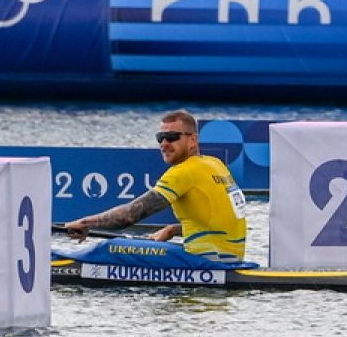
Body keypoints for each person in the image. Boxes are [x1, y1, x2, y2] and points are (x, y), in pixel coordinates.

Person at [64, 110, 248, 262]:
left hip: (204, 262)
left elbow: (129, 216)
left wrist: (84, 223)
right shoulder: (215, 164)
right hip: (231, 259)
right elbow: (216, 220)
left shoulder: (183, 172)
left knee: (110, 248)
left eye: (172, 137)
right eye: (160, 137)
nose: (164, 144)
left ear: (192, 140)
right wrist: (172, 230)